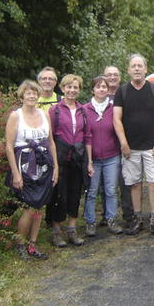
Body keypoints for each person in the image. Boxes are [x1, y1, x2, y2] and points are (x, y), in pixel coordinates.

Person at [113, 54, 154, 237]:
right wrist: (123, 143)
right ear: (128, 70)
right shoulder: (122, 92)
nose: (137, 69)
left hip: (153, 147)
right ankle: (137, 219)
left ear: (146, 69)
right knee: (134, 184)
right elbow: (116, 119)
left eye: (140, 66)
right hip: (131, 148)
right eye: (133, 66)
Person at [5, 80, 59, 260]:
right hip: (25, 165)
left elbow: (51, 142)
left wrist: (56, 167)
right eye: (28, 93)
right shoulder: (16, 116)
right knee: (29, 207)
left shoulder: (45, 115)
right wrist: (15, 173)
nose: (32, 96)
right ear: (22, 96)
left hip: (44, 164)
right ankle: (20, 244)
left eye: (34, 93)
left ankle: (32, 245)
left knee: (40, 206)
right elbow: (9, 146)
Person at [48, 74, 90, 247]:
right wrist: (53, 162)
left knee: (74, 192)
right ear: (63, 89)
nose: (72, 90)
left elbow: (87, 135)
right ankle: (56, 231)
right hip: (60, 156)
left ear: (79, 90)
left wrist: (90, 161)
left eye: (75, 87)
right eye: (69, 87)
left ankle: (72, 229)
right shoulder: (55, 110)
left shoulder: (83, 110)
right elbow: (49, 136)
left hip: (78, 157)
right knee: (58, 193)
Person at [84, 76, 122, 237]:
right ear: (93, 89)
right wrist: (89, 161)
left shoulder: (113, 108)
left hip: (111, 156)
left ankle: (111, 219)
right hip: (93, 158)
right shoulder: (85, 109)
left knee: (111, 190)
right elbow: (86, 135)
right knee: (91, 191)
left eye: (104, 87)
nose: (101, 89)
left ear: (108, 90)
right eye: (98, 86)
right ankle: (90, 221)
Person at [103, 65, 133, 227]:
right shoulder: (99, 94)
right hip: (106, 145)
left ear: (120, 77)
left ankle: (129, 215)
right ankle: (107, 215)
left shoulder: (126, 92)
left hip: (125, 143)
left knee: (126, 181)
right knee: (107, 183)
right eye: (109, 75)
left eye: (115, 74)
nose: (112, 77)